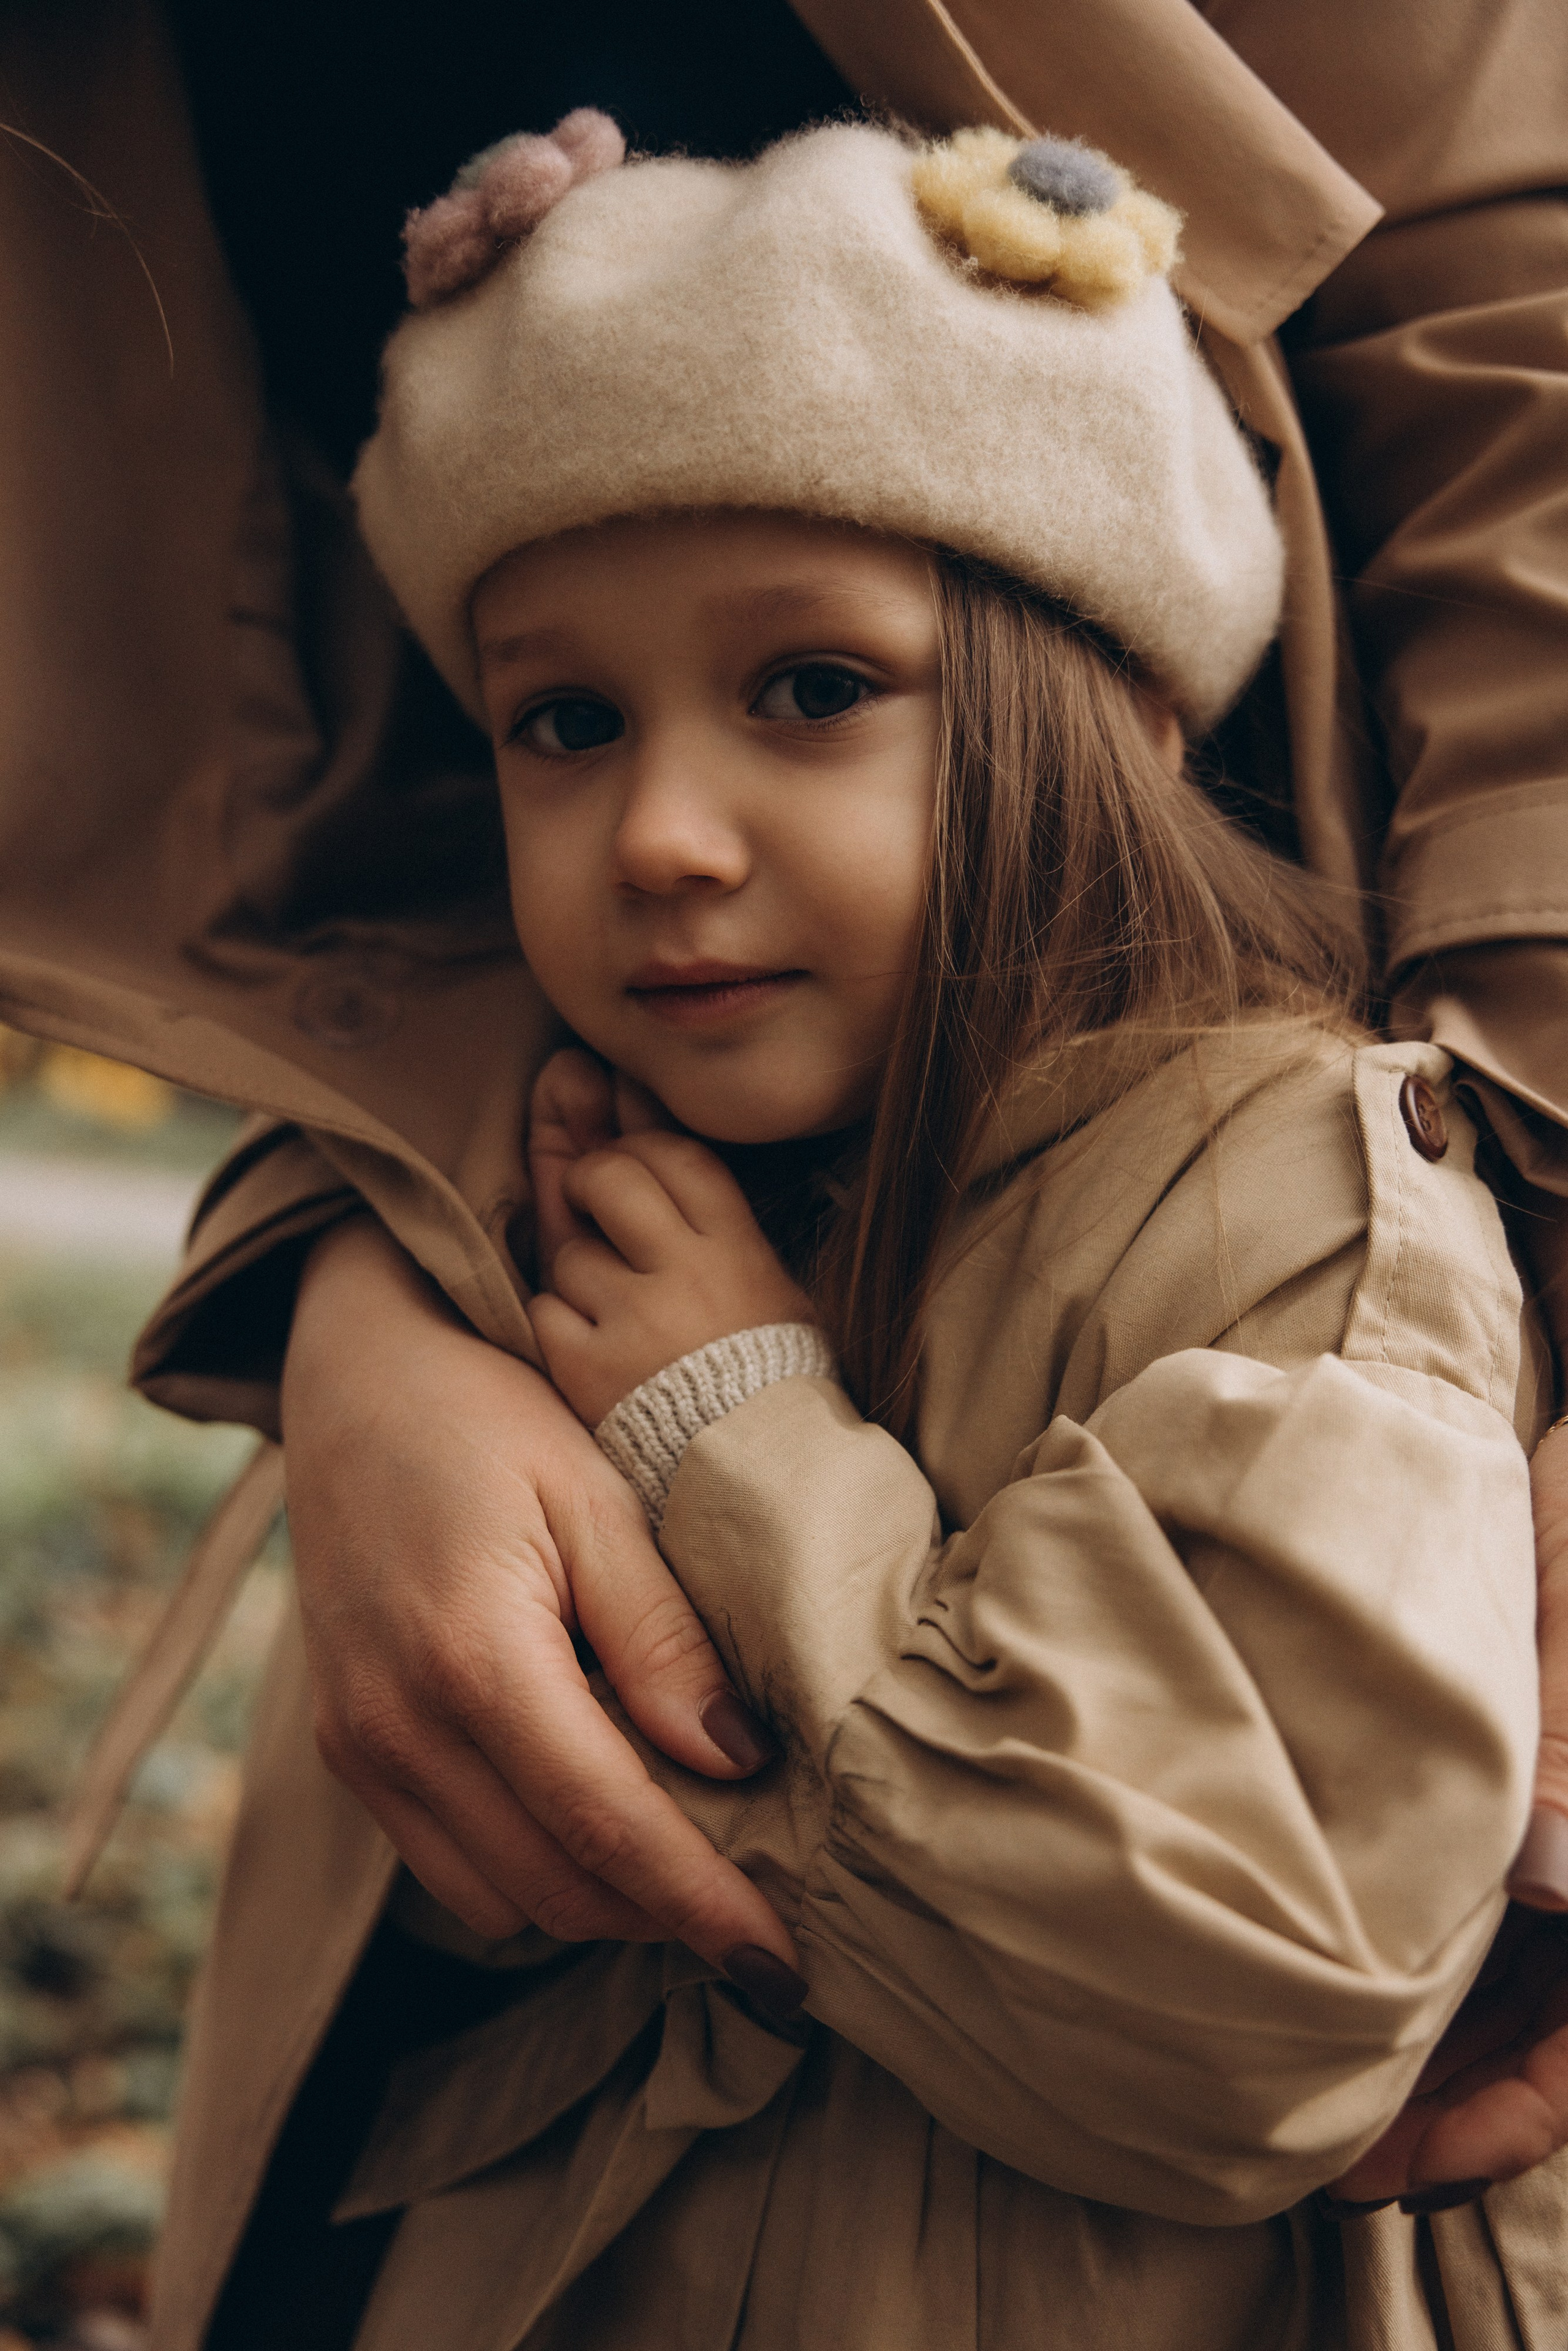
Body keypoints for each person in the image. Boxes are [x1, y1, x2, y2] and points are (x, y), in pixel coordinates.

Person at [149, 110, 1561, 2345]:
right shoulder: (577, 1187)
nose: (662, 837)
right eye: (564, 721)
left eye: (810, 688)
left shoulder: (1290, 1201)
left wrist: (740, 1446)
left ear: (1095, 701)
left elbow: (1254, 2017)